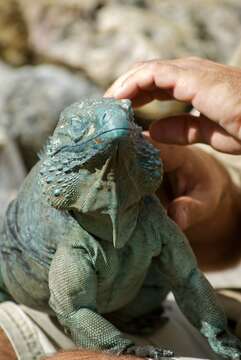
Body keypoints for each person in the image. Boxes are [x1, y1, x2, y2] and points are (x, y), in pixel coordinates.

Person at [2, 57, 241, 360]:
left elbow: (189, 278)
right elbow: (72, 310)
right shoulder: (74, 238)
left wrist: (220, 337)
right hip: (43, 306)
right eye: (78, 128)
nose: (114, 125)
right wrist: (223, 183)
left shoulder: (150, 219)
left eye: (128, 119)